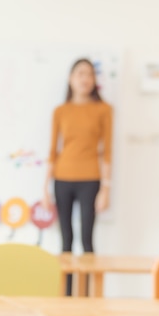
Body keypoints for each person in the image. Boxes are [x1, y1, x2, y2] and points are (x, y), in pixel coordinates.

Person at [43, 58, 113, 296]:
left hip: (90, 179)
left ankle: (87, 293)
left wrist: (106, 188)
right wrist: (45, 188)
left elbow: (107, 152)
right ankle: (67, 293)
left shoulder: (104, 110)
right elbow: (53, 150)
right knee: (65, 240)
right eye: (80, 73)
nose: (84, 79)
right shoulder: (60, 111)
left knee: (86, 239)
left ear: (94, 81)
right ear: (70, 78)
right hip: (62, 178)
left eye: (89, 74)